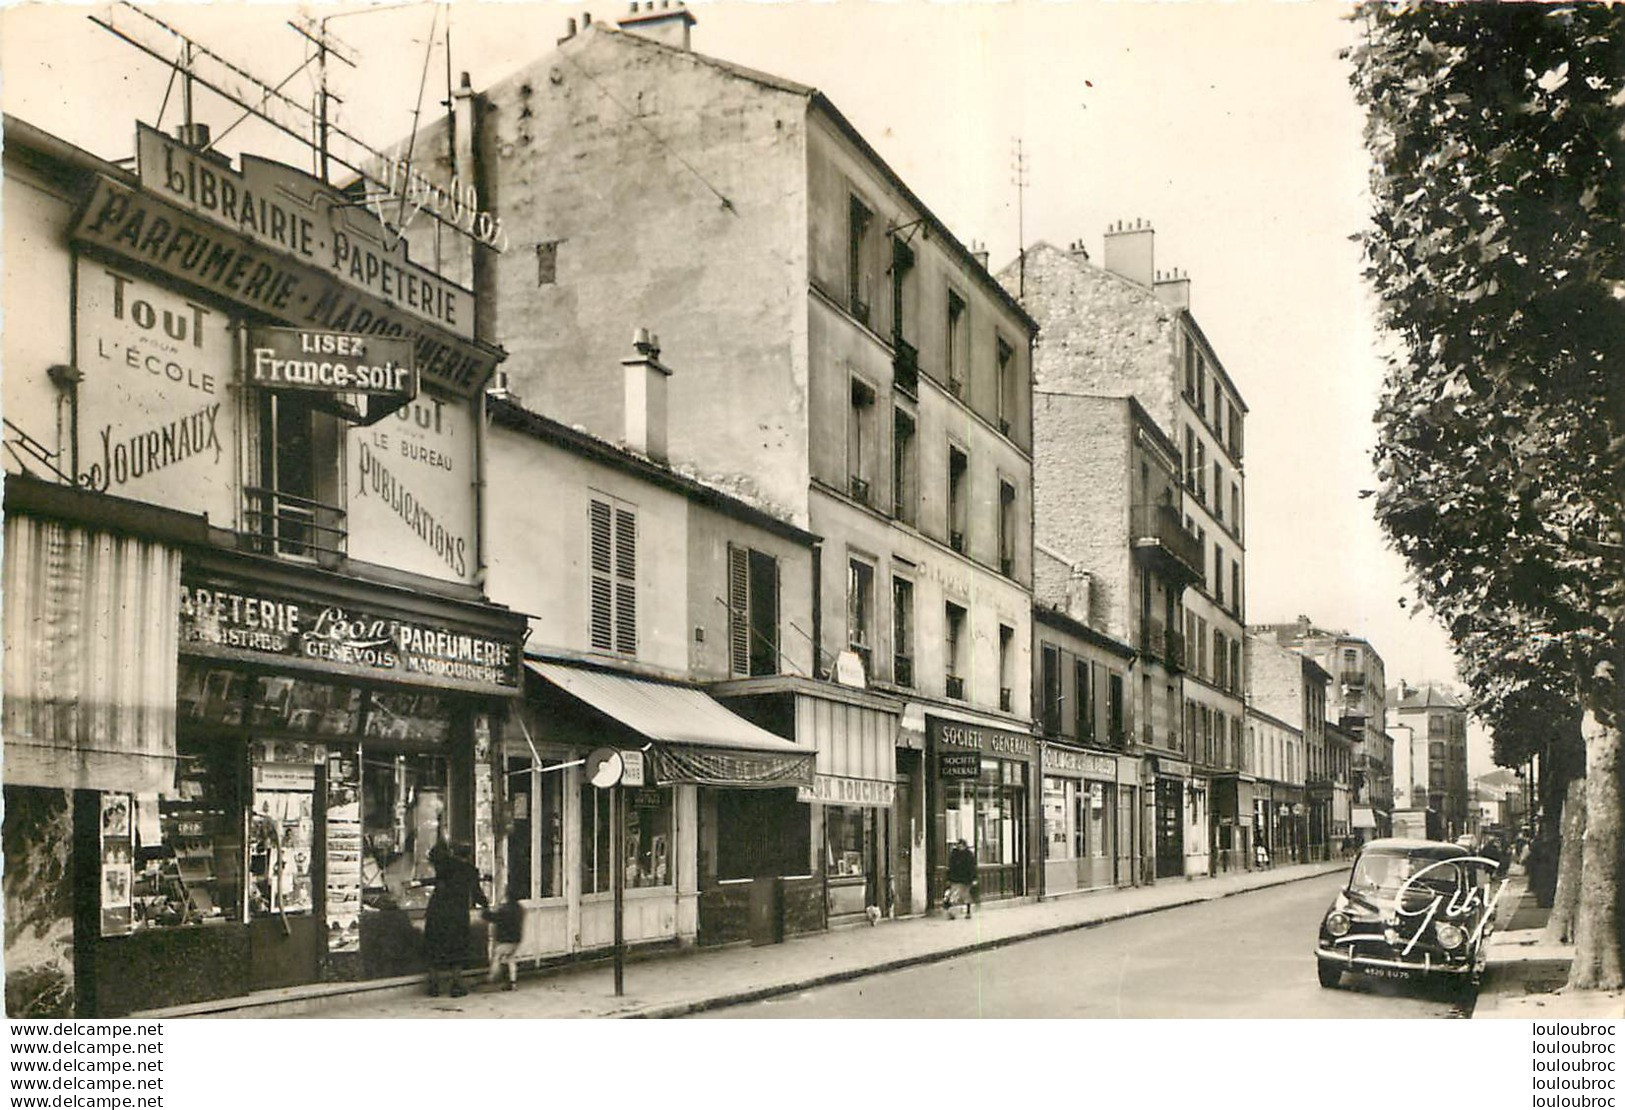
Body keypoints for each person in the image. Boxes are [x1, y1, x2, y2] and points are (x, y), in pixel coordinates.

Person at [423, 841, 488, 998]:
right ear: (470, 854)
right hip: (456, 914)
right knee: (457, 949)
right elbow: (477, 894)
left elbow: (433, 855)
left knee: (434, 947)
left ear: (454, 852)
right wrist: (486, 904)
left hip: (436, 911)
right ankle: (456, 985)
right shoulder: (470, 870)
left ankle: (433, 985)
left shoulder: (445, 864)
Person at [484, 886, 525, 991]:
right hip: (516, 939)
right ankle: (512, 982)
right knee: (510, 959)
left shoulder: (505, 909)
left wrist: (485, 911)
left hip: (505, 939)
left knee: (497, 956)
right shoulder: (520, 909)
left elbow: (494, 917)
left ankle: (492, 977)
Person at [944, 838, 977, 920]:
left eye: (962, 845)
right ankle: (951, 913)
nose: (960, 847)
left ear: (965, 846)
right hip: (956, 879)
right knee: (954, 896)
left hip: (966, 879)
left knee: (966, 896)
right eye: (959, 845)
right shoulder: (954, 855)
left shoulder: (969, 855)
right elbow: (950, 867)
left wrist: (974, 878)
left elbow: (972, 868)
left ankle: (968, 912)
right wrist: (949, 878)